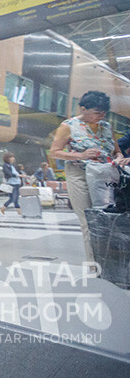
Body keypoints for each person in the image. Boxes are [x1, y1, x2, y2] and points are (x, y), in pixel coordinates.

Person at [49, 90, 130, 262]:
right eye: (97, 112)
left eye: (104, 113)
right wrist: (81, 155)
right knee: (89, 221)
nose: (101, 116)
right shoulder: (68, 126)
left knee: (108, 218)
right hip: (80, 174)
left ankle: (111, 264)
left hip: (105, 176)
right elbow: (54, 152)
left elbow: (117, 151)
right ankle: (95, 266)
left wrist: (119, 158)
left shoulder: (106, 126)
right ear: (83, 109)